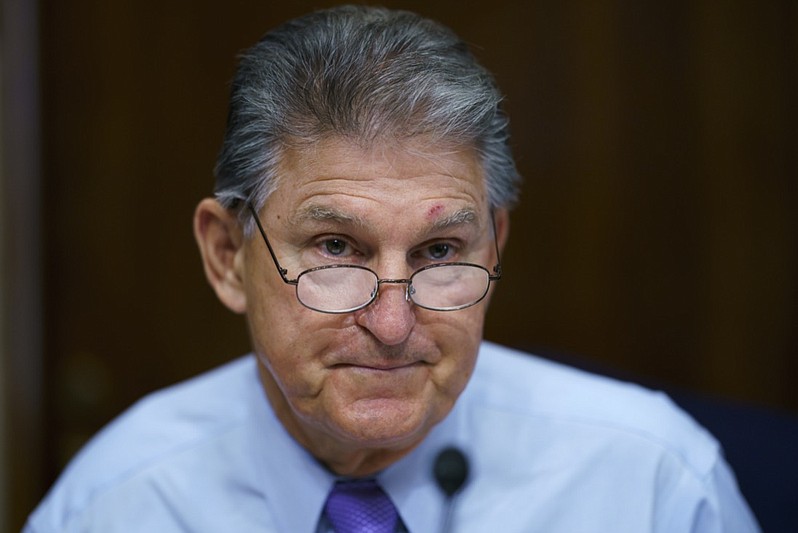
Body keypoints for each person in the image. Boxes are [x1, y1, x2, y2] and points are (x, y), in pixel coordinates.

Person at [26, 5, 759, 532]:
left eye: (440, 252)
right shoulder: (114, 503)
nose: (392, 322)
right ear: (226, 255)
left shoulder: (653, 481)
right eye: (336, 248)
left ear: (493, 245)